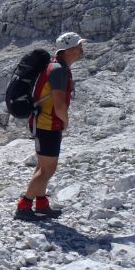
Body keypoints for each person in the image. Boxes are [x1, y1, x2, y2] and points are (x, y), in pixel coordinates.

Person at [15, 32, 86, 220]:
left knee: (43, 166)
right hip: (47, 124)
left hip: (43, 122)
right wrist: (65, 122)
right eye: (79, 46)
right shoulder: (58, 70)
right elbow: (60, 104)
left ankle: (41, 204)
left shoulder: (55, 66)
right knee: (47, 170)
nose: (81, 50)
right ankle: (24, 206)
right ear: (68, 49)